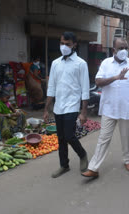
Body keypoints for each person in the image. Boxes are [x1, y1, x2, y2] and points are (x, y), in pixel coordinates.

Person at [81, 37, 129, 178]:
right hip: (109, 108)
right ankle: (94, 168)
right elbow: (98, 81)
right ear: (113, 50)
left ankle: (127, 160)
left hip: (127, 107)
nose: (124, 51)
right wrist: (116, 77)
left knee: (127, 137)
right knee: (103, 138)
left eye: (126, 48)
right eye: (121, 48)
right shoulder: (106, 63)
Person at [44, 32, 89, 178]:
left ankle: (82, 155)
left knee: (69, 136)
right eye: (62, 43)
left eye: (67, 44)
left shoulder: (81, 64)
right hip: (59, 107)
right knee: (61, 138)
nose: (64, 46)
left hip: (72, 105)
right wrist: (46, 109)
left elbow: (85, 89)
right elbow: (51, 87)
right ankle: (64, 165)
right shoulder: (56, 63)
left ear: (74, 45)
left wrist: (83, 112)